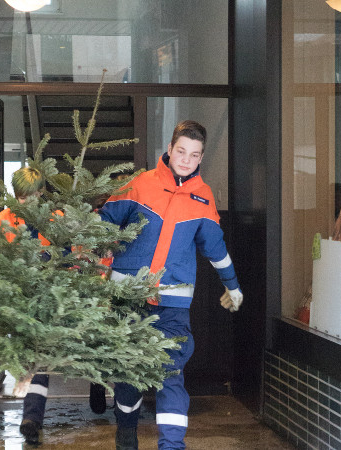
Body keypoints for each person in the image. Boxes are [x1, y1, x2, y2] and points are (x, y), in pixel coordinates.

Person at [98, 120, 243, 450]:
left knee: (170, 374)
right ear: (169, 149)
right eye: (181, 151)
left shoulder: (202, 198)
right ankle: (126, 431)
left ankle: (172, 446)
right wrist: (91, 249)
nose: (186, 160)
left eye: (194, 155)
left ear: (201, 157)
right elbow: (103, 222)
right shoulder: (139, 185)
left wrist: (232, 286)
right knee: (129, 375)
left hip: (172, 304)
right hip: (128, 298)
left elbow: (215, 248)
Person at [0, 167, 109, 446]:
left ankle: (96, 383)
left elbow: (76, 255)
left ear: (41, 193)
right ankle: (31, 419)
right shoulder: (3, 221)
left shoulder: (56, 221)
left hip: (60, 299)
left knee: (86, 341)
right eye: (20, 197)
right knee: (39, 356)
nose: (25, 203)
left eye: (30, 197)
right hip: (27, 303)